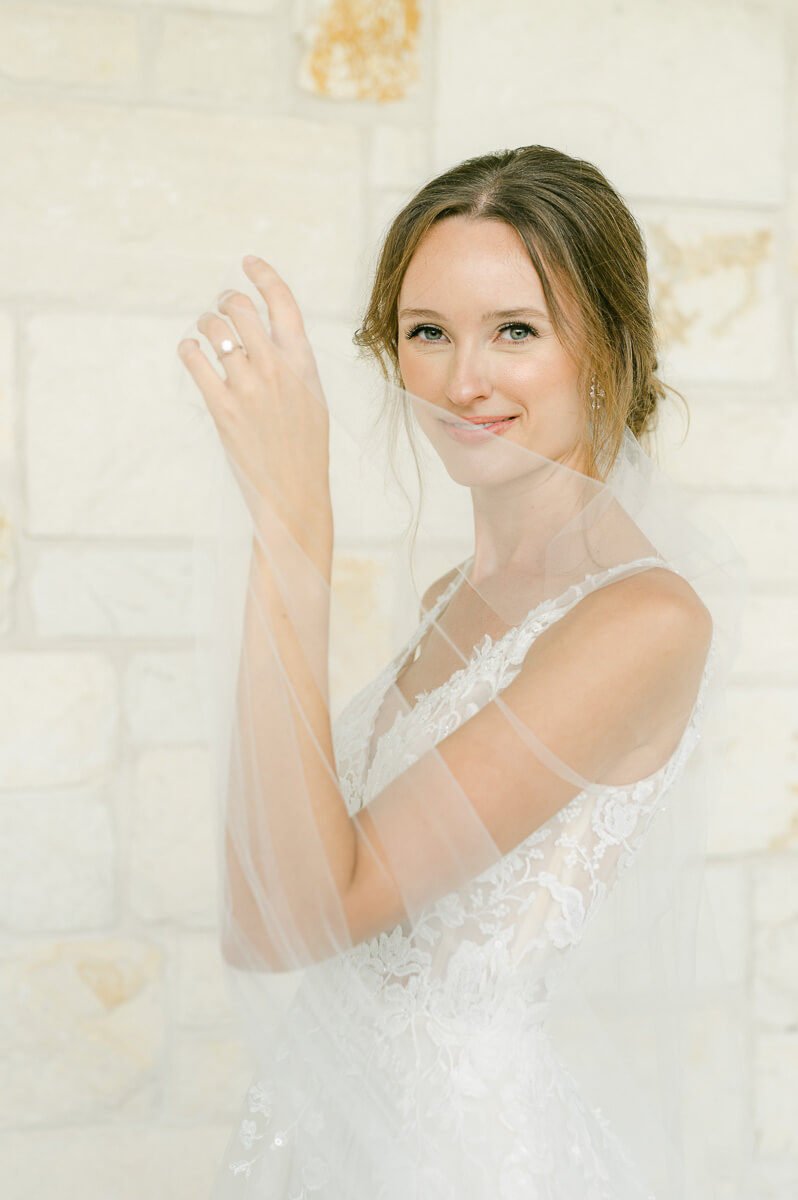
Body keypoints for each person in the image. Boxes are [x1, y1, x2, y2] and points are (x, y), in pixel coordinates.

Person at [177, 146, 749, 1199]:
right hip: (327, 1116)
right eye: (427, 332)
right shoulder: (455, 597)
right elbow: (261, 903)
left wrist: (294, 519)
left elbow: (303, 914)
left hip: (451, 1156)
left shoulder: (643, 620)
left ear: (609, 349)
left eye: (516, 331)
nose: (462, 379)